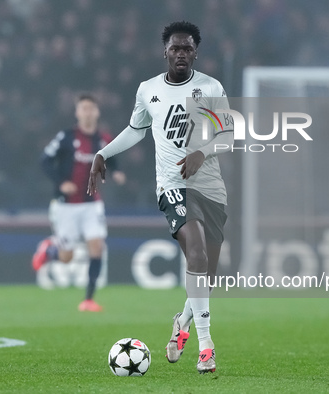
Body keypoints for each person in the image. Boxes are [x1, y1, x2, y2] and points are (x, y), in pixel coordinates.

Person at [88, 21, 233, 373]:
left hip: (210, 189)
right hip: (172, 186)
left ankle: (181, 324)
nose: (181, 53)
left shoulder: (211, 87)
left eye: (187, 48)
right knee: (195, 254)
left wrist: (202, 153)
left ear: (195, 52)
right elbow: (136, 130)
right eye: (175, 48)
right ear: (165, 51)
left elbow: (227, 136)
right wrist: (103, 154)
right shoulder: (148, 90)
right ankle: (206, 347)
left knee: (207, 275)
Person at [32, 93, 125, 312]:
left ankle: (89, 299)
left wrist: (118, 172)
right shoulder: (66, 137)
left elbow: (113, 159)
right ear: (77, 113)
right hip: (65, 205)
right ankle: (49, 250)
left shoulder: (104, 140)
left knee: (96, 246)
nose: (87, 112)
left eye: (91, 108)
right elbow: (44, 161)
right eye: (83, 108)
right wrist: (61, 182)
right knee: (67, 257)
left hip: (92, 203)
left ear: (97, 112)